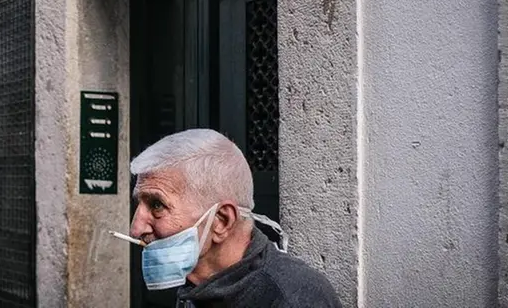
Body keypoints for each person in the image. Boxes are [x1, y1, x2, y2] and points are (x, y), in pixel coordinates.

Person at [111, 128, 342, 307]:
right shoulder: (196, 282)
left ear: (221, 221)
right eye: (138, 204)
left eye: (157, 205)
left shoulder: (294, 299)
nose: (136, 228)